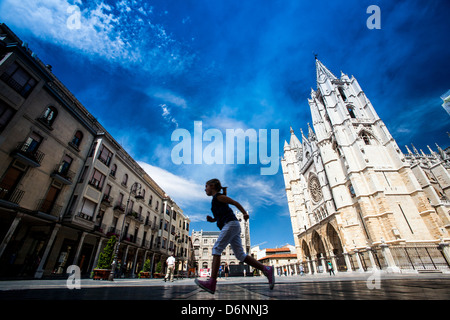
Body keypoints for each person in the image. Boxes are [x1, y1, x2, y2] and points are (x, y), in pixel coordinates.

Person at [194, 178, 275, 294]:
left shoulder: (219, 197)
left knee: (216, 249)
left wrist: (245, 213)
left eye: (206, 186)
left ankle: (212, 282)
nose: (204, 189)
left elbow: (235, 203)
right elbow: (220, 216)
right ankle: (266, 269)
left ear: (212, 186)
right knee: (241, 255)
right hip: (232, 225)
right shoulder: (215, 201)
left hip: (231, 224)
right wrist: (212, 220)